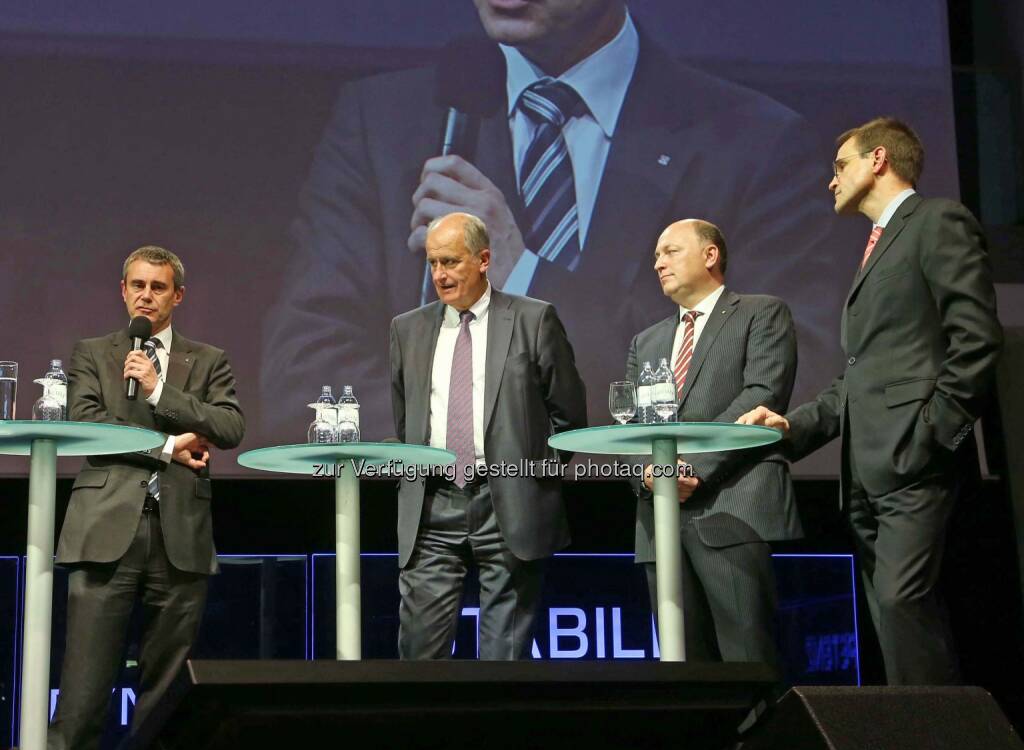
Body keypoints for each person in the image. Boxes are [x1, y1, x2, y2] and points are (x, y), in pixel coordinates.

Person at [261, 0, 839, 443]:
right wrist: (494, 448)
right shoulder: (380, 123)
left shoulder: (755, 141)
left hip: (652, 508)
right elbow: (303, 373)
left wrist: (522, 271)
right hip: (437, 518)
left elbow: (785, 374)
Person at [739, 117, 1003, 684]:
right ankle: (934, 746)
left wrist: (936, 435)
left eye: (840, 167)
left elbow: (977, 342)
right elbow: (857, 381)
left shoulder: (936, 222)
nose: (830, 182)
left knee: (902, 603)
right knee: (895, 615)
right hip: (866, 473)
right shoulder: (876, 244)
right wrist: (793, 426)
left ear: (877, 159)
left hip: (913, 461)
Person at [47, 246, 245, 750]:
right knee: (83, 696)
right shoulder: (92, 353)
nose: (145, 296)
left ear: (177, 296)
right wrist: (167, 448)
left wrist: (162, 391)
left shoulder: (207, 360)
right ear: (122, 290)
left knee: (164, 700)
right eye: (137, 285)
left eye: (158, 288)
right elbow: (90, 427)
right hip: (106, 531)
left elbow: (229, 426)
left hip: (179, 538)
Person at [389, 212, 586, 659]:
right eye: (432, 263)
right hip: (432, 508)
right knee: (420, 657)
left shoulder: (534, 320)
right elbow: (407, 422)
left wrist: (529, 477)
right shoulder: (407, 329)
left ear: (483, 260)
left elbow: (569, 417)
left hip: (509, 508)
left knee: (505, 664)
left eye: (451, 262)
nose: (439, 274)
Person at [626, 219, 801, 665]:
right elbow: (630, 425)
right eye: (655, 257)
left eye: (670, 252)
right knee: (684, 671)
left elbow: (761, 394)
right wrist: (649, 472)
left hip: (731, 509)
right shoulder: (646, 341)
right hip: (659, 520)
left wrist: (690, 466)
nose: (658, 263)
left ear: (710, 255)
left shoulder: (761, 312)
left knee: (747, 662)